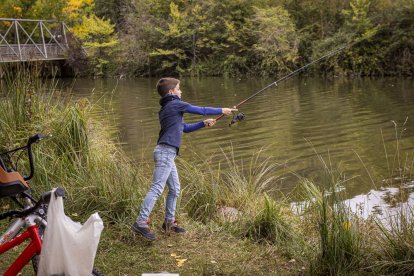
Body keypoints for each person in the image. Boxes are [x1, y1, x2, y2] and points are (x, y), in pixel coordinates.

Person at [132, 77, 236, 241]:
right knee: (157, 188)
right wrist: (221, 110)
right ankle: (140, 222)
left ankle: (169, 223)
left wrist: (203, 124)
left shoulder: (168, 107)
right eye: (179, 88)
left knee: (175, 189)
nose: (181, 91)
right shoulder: (175, 104)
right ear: (171, 92)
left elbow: (184, 128)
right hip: (165, 152)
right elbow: (200, 109)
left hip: (167, 152)